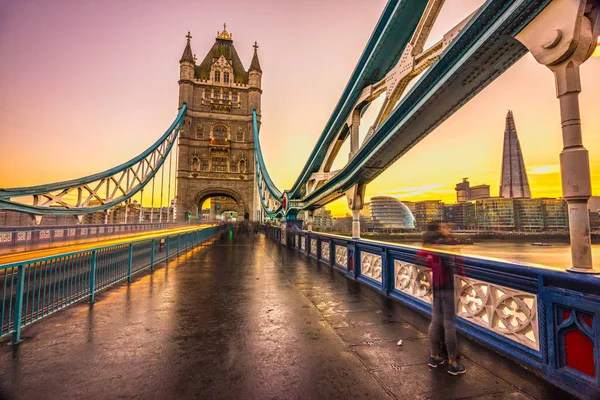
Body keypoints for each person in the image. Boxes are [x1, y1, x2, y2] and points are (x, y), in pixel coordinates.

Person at [416, 221, 466, 375]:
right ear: (439, 230)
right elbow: (459, 266)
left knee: (436, 321)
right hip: (449, 287)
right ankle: (452, 363)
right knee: (449, 324)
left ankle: (434, 356)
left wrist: (427, 280)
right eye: (444, 227)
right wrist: (464, 281)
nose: (447, 229)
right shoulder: (449, 246)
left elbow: (418, 258)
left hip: (436, 287)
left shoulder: (432, 246)